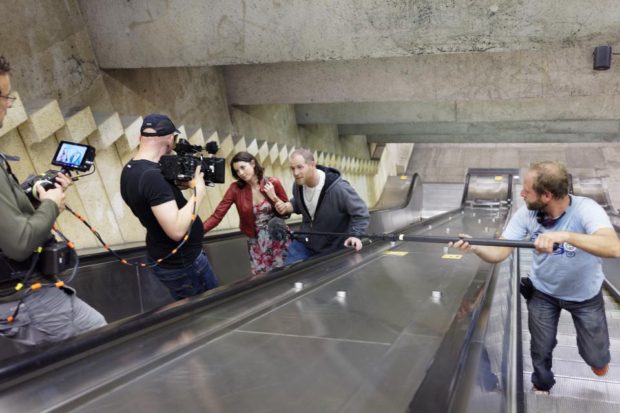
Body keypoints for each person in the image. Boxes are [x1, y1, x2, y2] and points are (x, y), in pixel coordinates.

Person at [450, 161, 620, 394]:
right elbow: (500, 251)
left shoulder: (586, 209)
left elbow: (614, 247)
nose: (521, 193)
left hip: (585, 296)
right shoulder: (527, 214)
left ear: (547, 195)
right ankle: (541, 384)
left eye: (527, 190)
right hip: (543, 294)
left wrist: (567, 235)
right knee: (540, 347)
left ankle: (597, 360)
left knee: (596, 356)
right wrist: (476, 247)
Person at [0, 56, 106, 346]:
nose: (9, 105)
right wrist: (51, 205)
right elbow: (19, 242)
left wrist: (34, 196)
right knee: (102, 341)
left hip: (17, 300)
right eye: (5, 96)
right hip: (28, 298)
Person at [120, 113, 219, 299]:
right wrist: (199, 192)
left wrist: (176, 187)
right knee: (210, 312)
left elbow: (150, 203)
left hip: (167, 257)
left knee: (192, 315)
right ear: (169, 139)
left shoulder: (131, 169)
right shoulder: (151, 177)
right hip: (184, 263)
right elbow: (176, 230)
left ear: (140, 137)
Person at [275, 148, 370, 264]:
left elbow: (361, 213)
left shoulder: (338, 188)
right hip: (306, 242)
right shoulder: (298, 186)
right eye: (292, 168)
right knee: (289, 273)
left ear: (312, 164)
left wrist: (356, 235)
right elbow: (303, 204)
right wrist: (289, 206)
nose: (295, 173)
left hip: (332, 247)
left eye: (300, 167)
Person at [203, 152, 290, 275]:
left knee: (285, 273)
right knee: (262, 279)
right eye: (237, 171)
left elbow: (287, 213)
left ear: (253, 163)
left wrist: (274, 197)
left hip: (278, 238)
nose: (241, 173)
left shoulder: (272, 182)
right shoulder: (235, 189)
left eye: (243, 167)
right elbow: (217, 215)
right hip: (255, 242)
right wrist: (196, 233)